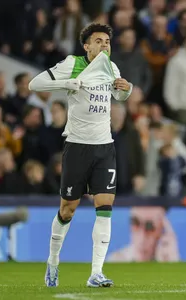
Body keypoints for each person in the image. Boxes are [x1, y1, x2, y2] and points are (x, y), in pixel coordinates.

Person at [29, 23, 133, 288]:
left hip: (104, 146)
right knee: (68, 209)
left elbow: (119, 96)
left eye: (107, 41)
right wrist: (69, 84)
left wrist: (126, 88)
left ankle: (96, 273)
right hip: (77, 146)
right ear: (86, 46)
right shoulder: (72, 64)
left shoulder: (111, 67)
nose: (104, 45)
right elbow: (34, 83)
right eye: (98, 41)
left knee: (105, 206)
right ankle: (53, 261)